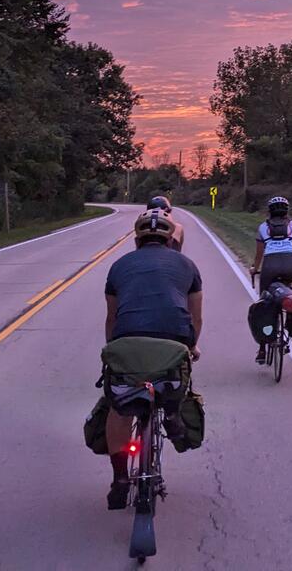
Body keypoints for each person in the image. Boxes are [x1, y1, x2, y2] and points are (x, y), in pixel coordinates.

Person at [102, 209, 201, 509]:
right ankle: (171, 414)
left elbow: (112, 318)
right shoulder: (187, 265)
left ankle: (120, 478)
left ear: (137, 240)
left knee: (118, 410)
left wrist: (115, 350)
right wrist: (192, 347)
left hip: (126, 347)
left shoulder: (118, 266)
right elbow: (195, 318)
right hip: (172, 348)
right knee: (176, 377)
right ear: (171, 239)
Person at [250, 196, 292, 364]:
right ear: (287, 211)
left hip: (270, 267)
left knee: (265, 301)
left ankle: (262, 349)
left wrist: (254, 269)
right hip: (291, 265)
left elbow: (259, 255)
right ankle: (289, 327)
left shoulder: (263, 227)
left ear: (269, 211)